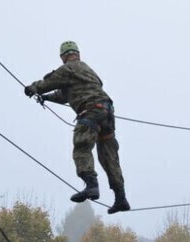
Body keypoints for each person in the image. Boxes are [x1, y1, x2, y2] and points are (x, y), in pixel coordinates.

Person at [24, 41, 130, 214]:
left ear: (63, 57)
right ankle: (121, 198)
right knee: (109, 156)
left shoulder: (68, 69)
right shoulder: (88, 71)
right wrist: (48, 98)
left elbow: (48, 82)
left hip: (90, 112)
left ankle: (91, 185)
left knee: (82, 147)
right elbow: (64, 94)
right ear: (78, 54)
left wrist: (32, 88)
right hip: (107, 113)